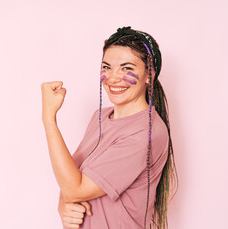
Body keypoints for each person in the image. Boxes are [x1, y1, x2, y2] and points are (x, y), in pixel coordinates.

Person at [41, 26, 178, 229]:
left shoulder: (146, 133)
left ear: (149, 74)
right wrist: (64, 207)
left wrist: (48, 118)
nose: (113, 77)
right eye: (106, 67)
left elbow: (75, 189)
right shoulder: (101, 117)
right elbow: (71, 176)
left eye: (127, 68)